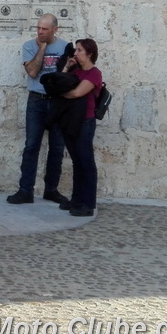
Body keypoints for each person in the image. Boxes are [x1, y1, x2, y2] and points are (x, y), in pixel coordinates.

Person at [8, 14, 69, 207]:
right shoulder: (29, 46)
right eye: (38, 28)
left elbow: (68, 76)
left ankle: (51, 190)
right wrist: (42, 47)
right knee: (31, 145)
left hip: (58, 102)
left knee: (57, 147)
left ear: (55, 30)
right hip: (36, 100)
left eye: (45, 29)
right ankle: (25, 190)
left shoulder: (65, 48)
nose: (40, 32)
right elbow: (33, 72)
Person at [58, 39, 103, 217]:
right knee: (77, 161)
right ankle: (76, 199)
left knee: (86, 162)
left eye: (79, 50)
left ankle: (88, 204)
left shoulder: (94, 74)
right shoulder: (75, 71)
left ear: (89, 54)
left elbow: (77, 93)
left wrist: (62, 93)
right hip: (71, 120)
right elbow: (59, 82)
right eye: (76, 50)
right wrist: (66, 68)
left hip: (85, 121)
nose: (75, 53)